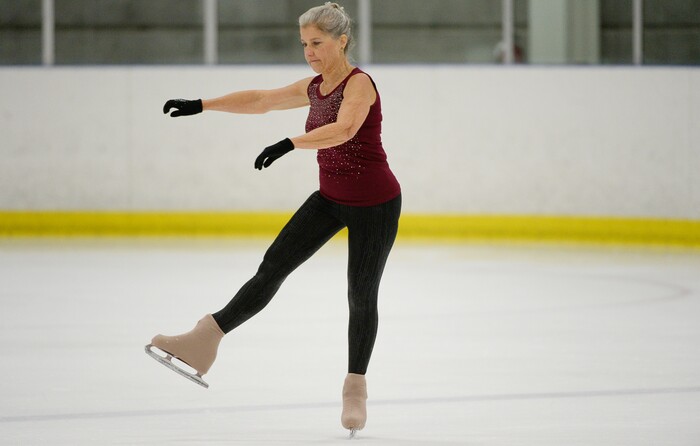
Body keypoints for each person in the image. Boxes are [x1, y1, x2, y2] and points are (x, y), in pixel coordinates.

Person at [145, 2, 401, 438]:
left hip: (376, 204)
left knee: (361, 295)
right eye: (304, 44)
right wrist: (201, 104)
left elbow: (343, 129)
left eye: (317, 43)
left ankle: (354, 389)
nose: (310, 53)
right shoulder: (315, 86)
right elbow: (262, 100)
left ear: (342, 41)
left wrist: (289, 143)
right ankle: (204, 340)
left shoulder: (361, 85)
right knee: (272, 268)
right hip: (329, 198)